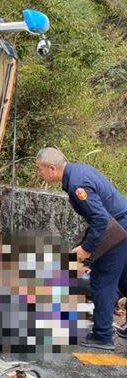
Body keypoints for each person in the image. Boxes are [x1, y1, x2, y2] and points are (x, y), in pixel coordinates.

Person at [35, 147, 127, 350]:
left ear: (52, 168)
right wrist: (83, 244)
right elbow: (99, 217)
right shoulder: (78, 172)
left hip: (118, 228)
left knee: (102, 280)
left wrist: (87, 249)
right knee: (123, 279)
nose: (39, 174)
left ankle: (102, 336)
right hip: (121, 224)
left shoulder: (77, 183)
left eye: (40, 169)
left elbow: (101, 219)